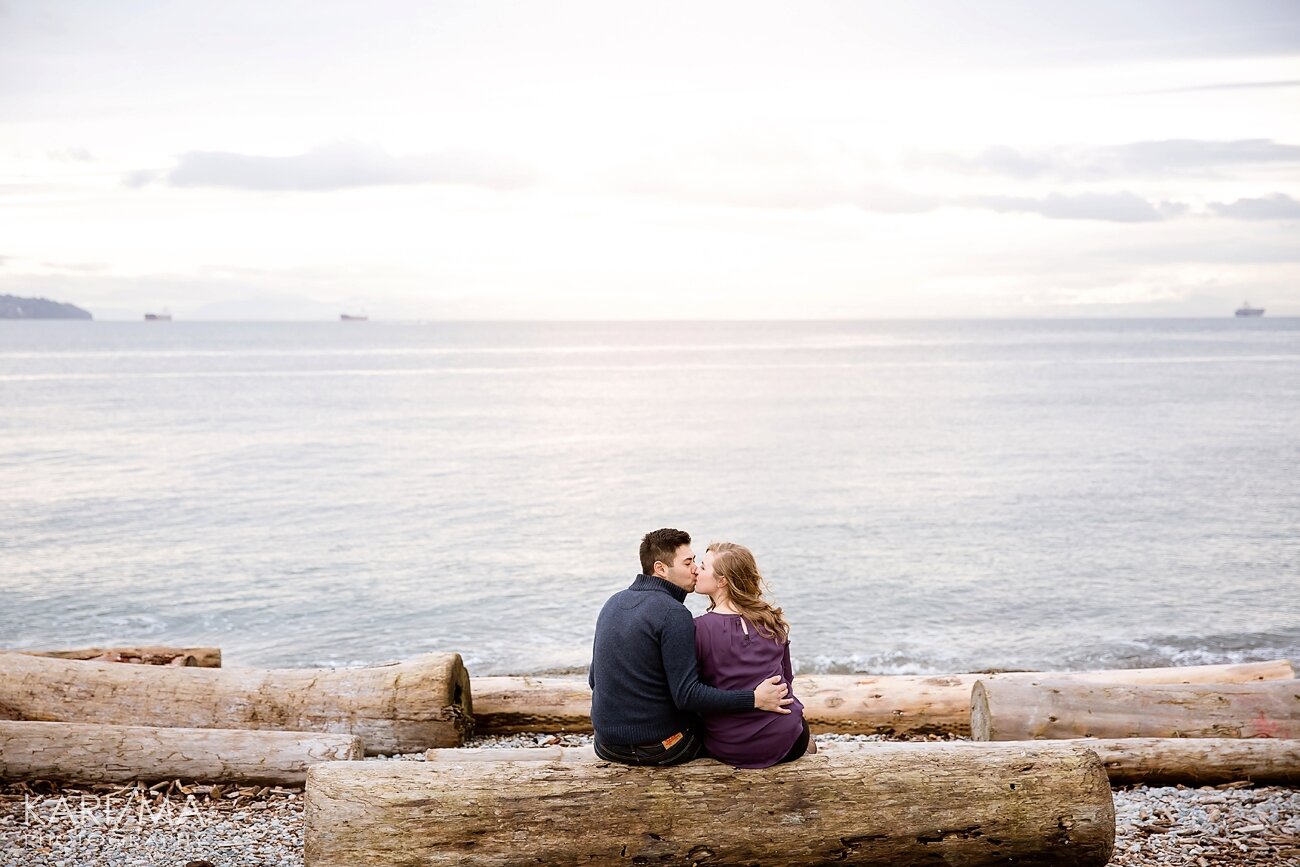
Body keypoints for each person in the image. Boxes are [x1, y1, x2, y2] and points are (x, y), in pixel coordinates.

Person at [589, 528, 792, 766]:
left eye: (696, 561)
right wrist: (753, 699)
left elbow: (594, 679)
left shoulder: (613, 602)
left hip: (605, 745)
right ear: (661, 569)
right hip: (660, 748)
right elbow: (688, 696)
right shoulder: (673, 613)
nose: (695, 568)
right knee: (717, 732)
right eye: (688, 562)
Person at [692, 541, 814, 768]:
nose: (696, 570)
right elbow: (787, 678)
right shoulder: (771, 620)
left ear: (722, 581)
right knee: (797, 723)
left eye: (703, 566)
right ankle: (804, 739)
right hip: (788, 739)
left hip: (730, 746)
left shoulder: (698, 629)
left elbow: (694, 694)